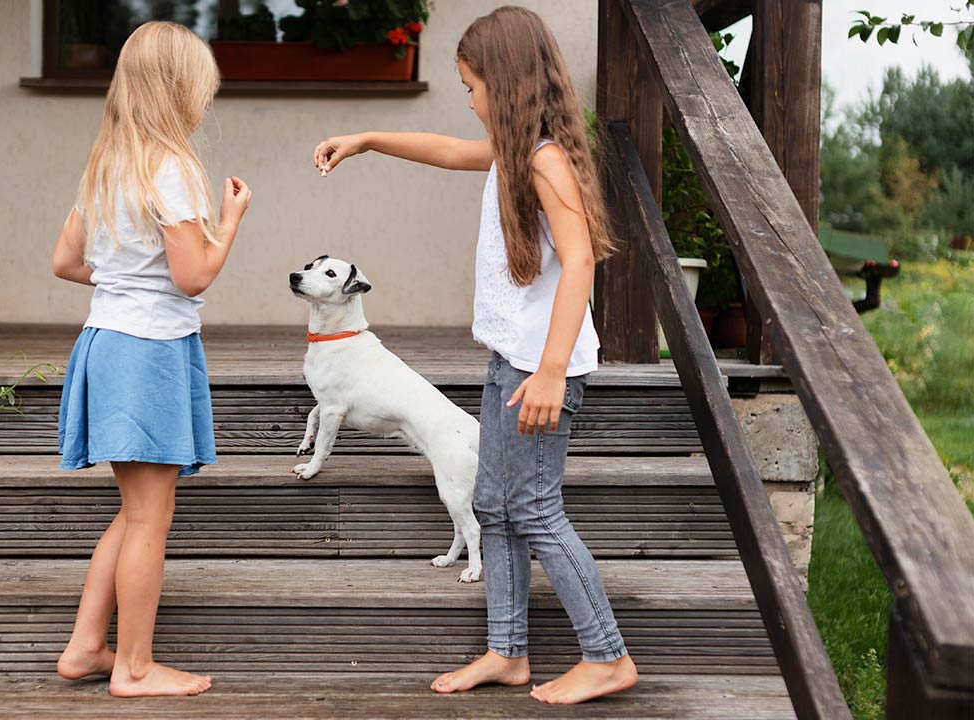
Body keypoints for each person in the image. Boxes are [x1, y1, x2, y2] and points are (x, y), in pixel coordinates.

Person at [312, 5, 638, 705]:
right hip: (507, 360)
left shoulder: (546, 160)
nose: (468, 100)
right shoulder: (514, 152)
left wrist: (552, 369)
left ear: (505, 81)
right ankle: (508, 652)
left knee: (535, 508)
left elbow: (580, 261)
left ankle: (607, 655)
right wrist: (366, 138)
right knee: (493, 504)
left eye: (471, 85)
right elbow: (446, 149)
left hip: (538, 370)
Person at [50, 20, 251, 698]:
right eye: (202, 90)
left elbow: (67, 262)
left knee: (136, 513)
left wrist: (124, 281)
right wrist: (229, 224)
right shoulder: (173, 168)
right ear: (180, 91)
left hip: (107, 342)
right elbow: (193, 277)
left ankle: (85, 647)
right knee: (149, 522)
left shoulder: (107, 164)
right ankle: (134, 668)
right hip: (150, 351)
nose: (204, 103)